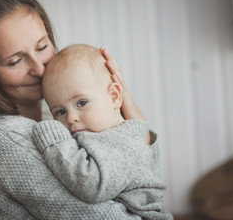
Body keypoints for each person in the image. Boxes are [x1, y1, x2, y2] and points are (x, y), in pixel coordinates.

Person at [0, 0, 155, 220]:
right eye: (15, 61)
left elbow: (147, 187)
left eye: (42, 47)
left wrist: (127, 106)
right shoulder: (8, 139)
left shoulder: (55, 120)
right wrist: (138, 128)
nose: (39, 69)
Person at [32, 44, 173, 219]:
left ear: (114, 97)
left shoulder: (123, 143)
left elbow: (92, 186)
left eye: (82, 103)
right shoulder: (104, 134)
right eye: (60, 112)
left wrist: (54, 140)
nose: (71, 118)